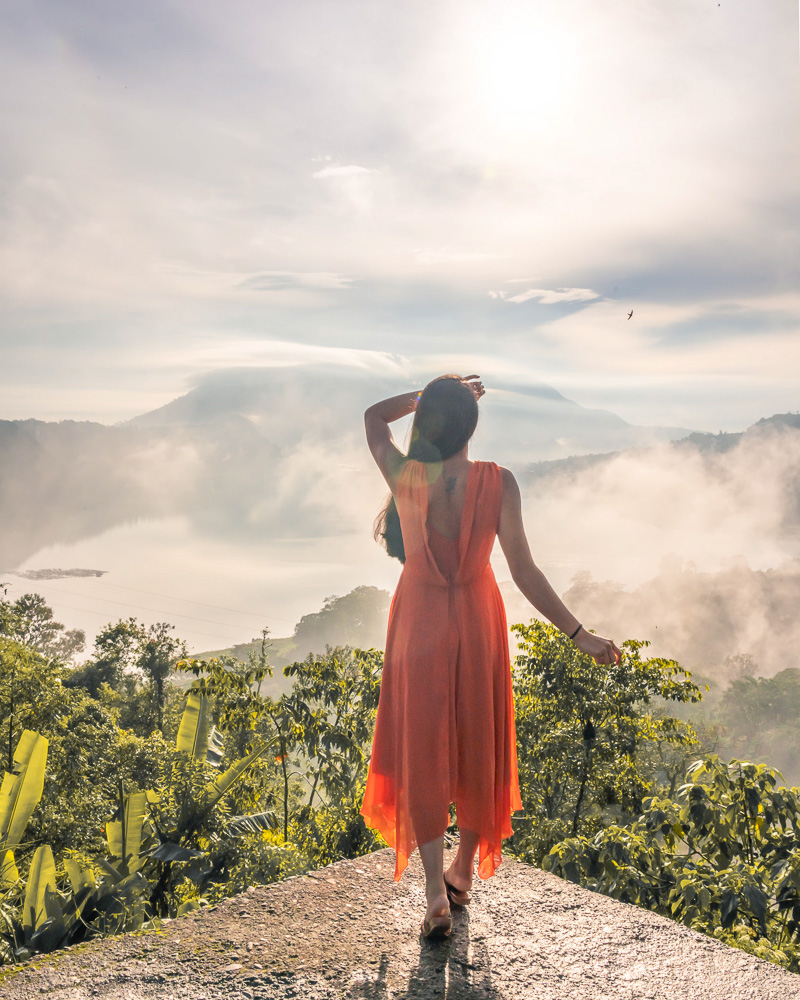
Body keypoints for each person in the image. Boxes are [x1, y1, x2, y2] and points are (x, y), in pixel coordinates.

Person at [360, 374, 621, 939]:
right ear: (474, 426)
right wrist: (581, 635)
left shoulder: (406, 475)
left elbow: (373, 420)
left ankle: (434, 891)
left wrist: (424, 401)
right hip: (479, 619)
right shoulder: (498, 482)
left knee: (424, 745)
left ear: (426, 423)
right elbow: (524, 570)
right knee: (481, 740)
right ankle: (463, 874)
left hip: (419, 621)